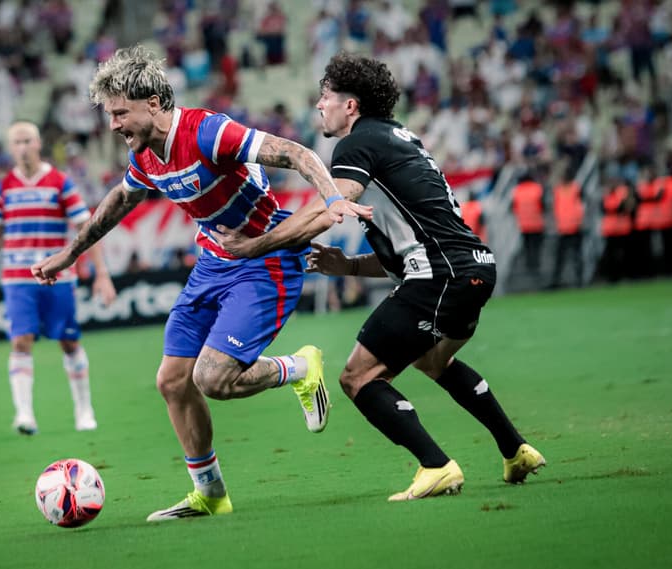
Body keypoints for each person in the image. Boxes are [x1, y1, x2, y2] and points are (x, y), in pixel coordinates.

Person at [31, 45, 371, 521]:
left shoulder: (208, 132)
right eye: (109, 115)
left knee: (211, 378)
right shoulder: (146, 154)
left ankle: (297, 367)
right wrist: (70, 253)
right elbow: (119, 200)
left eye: (119, 113)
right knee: (172, 381)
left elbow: (296, 152)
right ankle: (210, 493)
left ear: (152, 103)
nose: (113, 125)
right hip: (213, 262)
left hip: (264, 261)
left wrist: (332, 198)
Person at [213, 52, 546, 501]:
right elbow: (410, 245)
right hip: (471, 267)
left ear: (351, 105)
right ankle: (515, 450)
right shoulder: (400, 138)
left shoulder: (356, 144)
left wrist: (252, 247)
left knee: (357, 378)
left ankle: (436, 466)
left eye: (326, 97)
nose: (319, 106)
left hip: (441, 276)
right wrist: (349, 266)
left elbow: (329, 207)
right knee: (433, 362)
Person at [0, 121, 116, 435]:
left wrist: (101, 274)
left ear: (39, 143)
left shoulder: (60, 182)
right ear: (10, 147)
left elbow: (88, 229)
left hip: (58, 275)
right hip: (17, 277)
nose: (22, 147)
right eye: (16, 142)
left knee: (69, 342)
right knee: (21, 340)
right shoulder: (2, 188)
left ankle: (84, 410)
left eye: (27, 140)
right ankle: (24, 415)